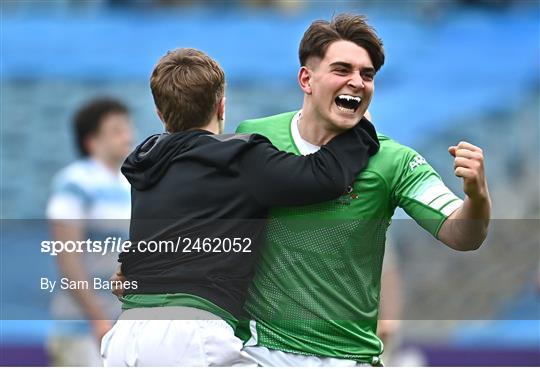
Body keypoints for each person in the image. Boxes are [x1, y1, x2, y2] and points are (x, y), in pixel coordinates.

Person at [235, 13, 491, 366]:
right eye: (342, 70)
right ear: (306, 79)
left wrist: (477, 196)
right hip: (261, 351)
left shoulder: (395, 161)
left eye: (367, 75)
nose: (357, 82)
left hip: (347, 356)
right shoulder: (255, 135)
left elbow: (462, 234)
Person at [100, 48, 379, 366]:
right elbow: (324, 177)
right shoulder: (240, 158)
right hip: (192, 336)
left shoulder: (146, 163)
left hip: (127, 335)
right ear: (221, 105)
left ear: (160, 113)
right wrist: (361, 126)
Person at [46, 98, 133, 366]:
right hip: (83, 329)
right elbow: (67, 258)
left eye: (128, 128)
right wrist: (97, 318)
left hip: (121, 327)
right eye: (117, 130)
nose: (128, 136)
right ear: (91, 141)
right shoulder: (74, 182)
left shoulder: (129, 184)